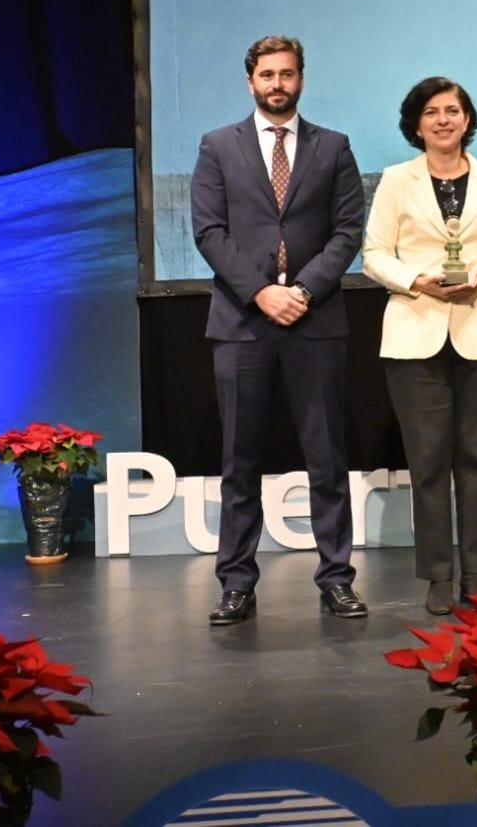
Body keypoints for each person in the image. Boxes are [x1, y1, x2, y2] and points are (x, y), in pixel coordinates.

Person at [190, 35, 367, 625]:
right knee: (240, 462)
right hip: (242, 325)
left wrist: (304, 292)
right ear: (250, 81)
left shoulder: (334, 147)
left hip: (315, 323)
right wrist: (262, 292)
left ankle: (337, 579)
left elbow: (347, 232)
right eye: (267, 74)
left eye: (287, 73)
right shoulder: (218, 146)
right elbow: (209, 232)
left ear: (301, 79)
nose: (277, 83)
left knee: (327, 458)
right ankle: (236, 583)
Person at [362, 77, 477, 615]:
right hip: (414, 330)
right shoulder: (395, 180)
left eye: (453, 111)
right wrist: (416, 281)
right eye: (432, 112)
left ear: (468, 119)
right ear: (417, 124)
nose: (444, 120)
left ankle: (476, 571)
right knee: (427, 462)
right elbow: (374, 254)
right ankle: (437, 575)